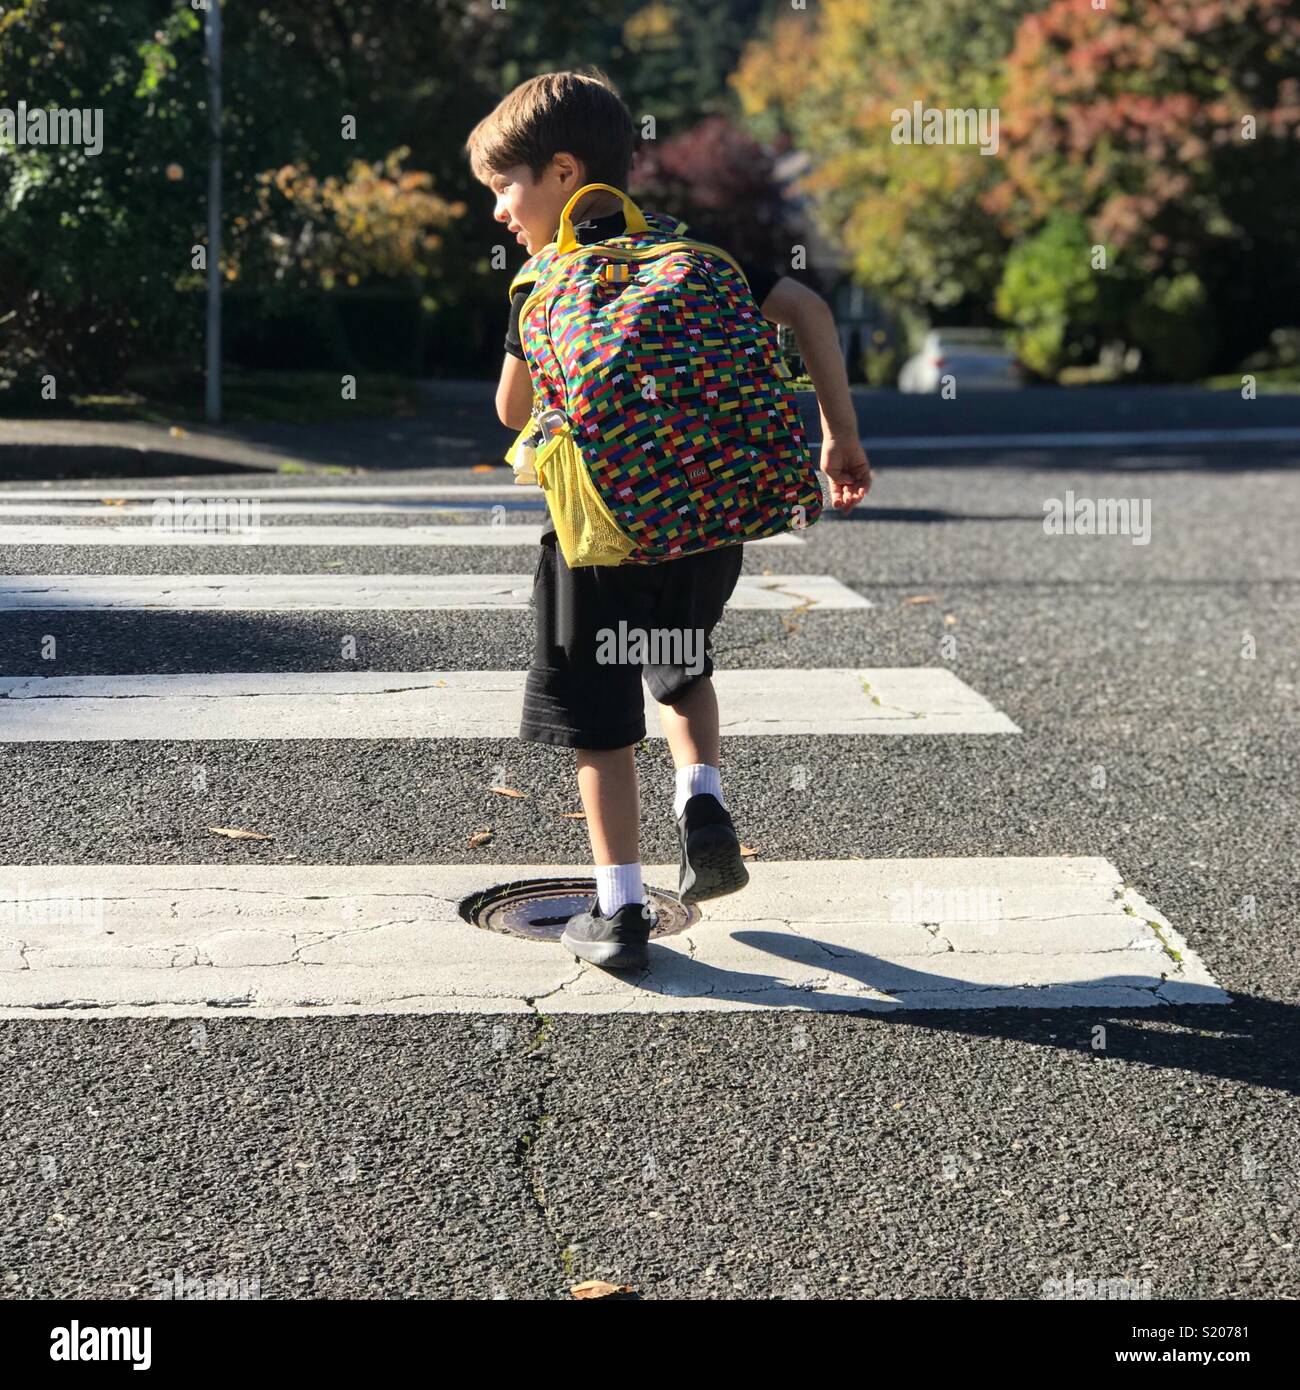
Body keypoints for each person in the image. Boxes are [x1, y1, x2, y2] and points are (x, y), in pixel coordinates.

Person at [465, 68, 873, 971]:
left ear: (562, 172)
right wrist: (838, 438)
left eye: (505, 187)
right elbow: (808, 309)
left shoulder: (542, 279)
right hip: (702, 527)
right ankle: (702, 799)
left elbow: (509, 411)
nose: (498, 209)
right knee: (680, 668)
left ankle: (618, 910)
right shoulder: (693, 251)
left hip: (595, 541)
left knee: (600, 722)